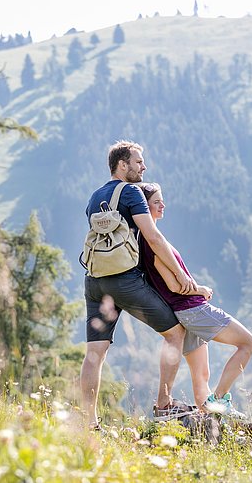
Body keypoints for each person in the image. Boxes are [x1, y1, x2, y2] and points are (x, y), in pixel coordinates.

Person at [80, 140, 196, 430]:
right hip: (125, 280)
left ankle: (88, 422)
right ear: (123, 165)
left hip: (94, 280)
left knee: (94, 354)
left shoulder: (95, 196)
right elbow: (153, 237)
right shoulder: (131, 192)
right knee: (175, 333)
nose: (143, 167)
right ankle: (164, 405)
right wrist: (182, 277)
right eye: (138, 162)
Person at [138, 182, 252, 419]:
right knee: (248, 344)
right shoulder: (151, 242)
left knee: (201, 375)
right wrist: (200, 290)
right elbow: (173, 286)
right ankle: (220, 400)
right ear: (144, 207)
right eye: (156, 202)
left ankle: (210, 420)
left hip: (184, 314)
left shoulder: (151, 239)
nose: (163, 204)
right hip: (191, 309)